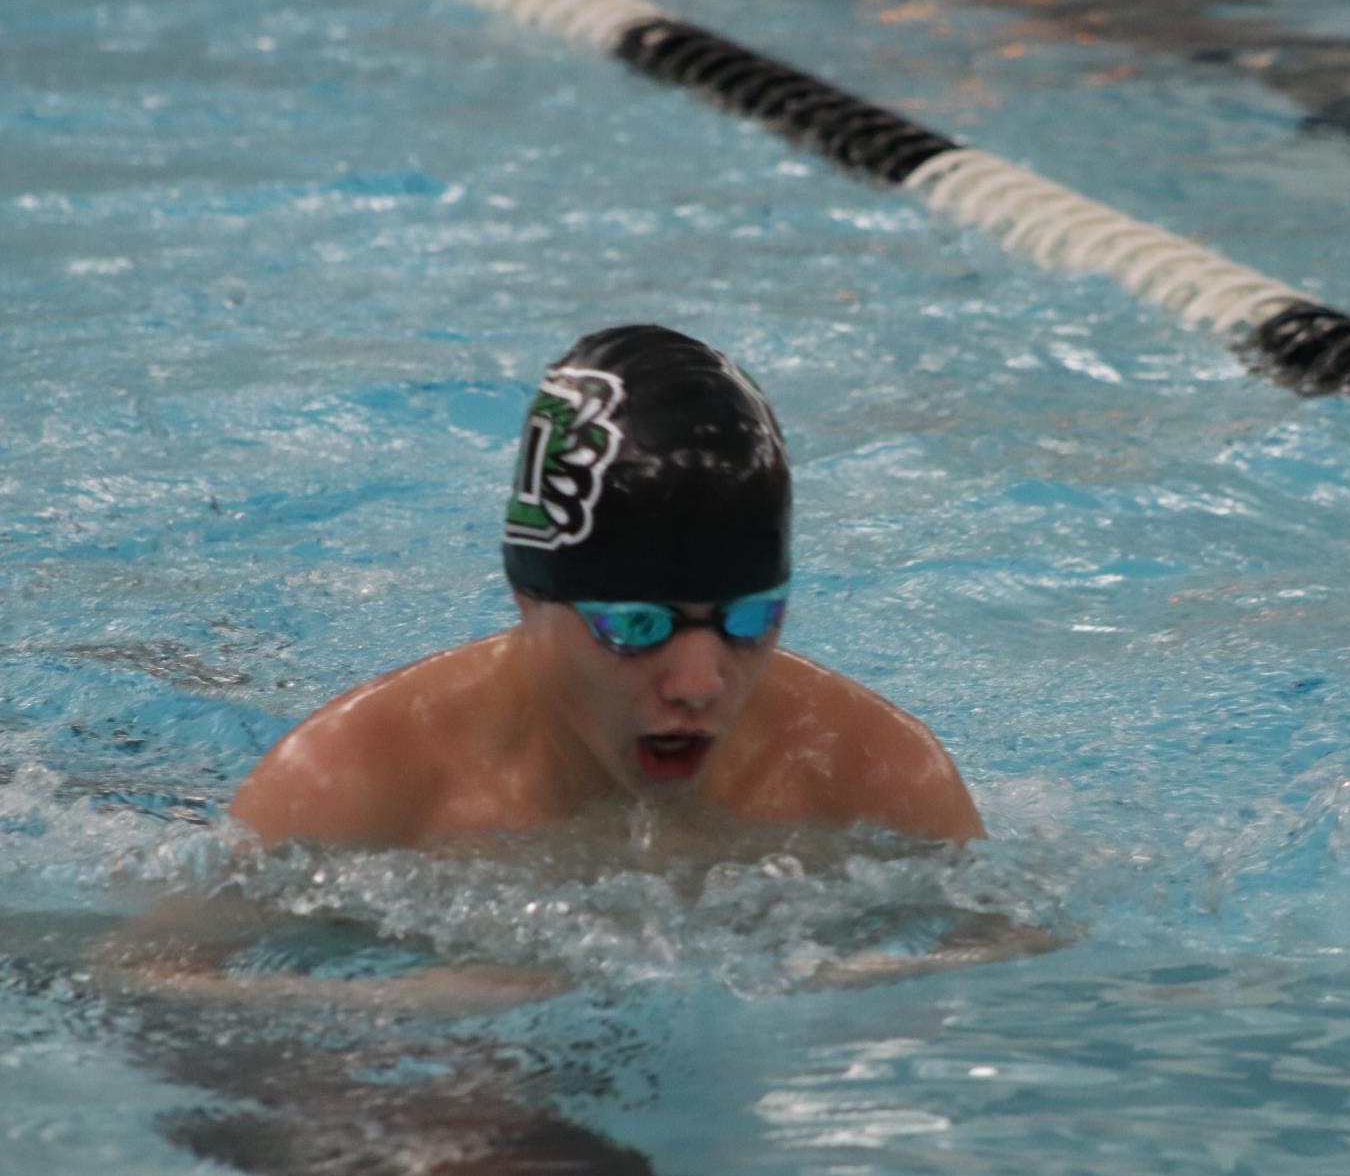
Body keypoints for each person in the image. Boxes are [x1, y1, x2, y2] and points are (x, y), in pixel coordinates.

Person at [232, 325, 983, 849]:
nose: (698, 684)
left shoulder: (870, 774)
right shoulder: (348, 785)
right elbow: (158, 993)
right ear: (528, 597)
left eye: (749, 620)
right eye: (636, 627)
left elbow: (1006, 968)